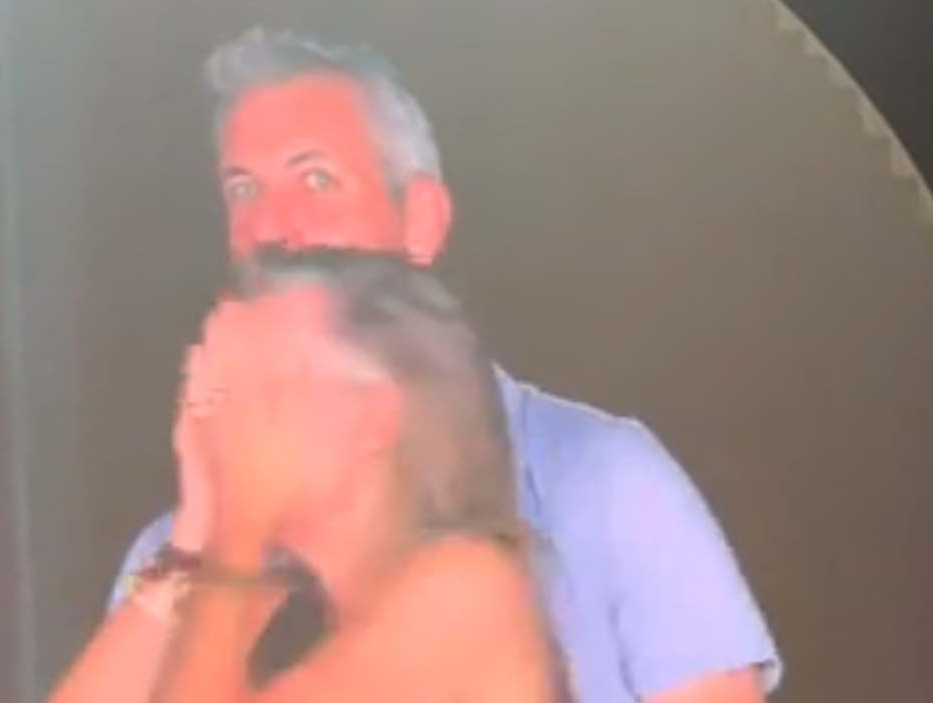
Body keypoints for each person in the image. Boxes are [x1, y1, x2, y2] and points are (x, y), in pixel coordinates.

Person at [65, 28, 780, 703]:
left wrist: (234, 538)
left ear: (422, 220)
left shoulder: (587, 487)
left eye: (315, 180)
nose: (272, 228)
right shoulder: (182, 553)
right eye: (244, 190)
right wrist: (200, 532)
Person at [53, 248, 570, 701]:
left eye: (263, 385)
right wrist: (194, 536)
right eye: (216, 386)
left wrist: (237, 533)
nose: (221, 416)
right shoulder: (269, 600)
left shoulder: (466, 588)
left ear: (371, 418)